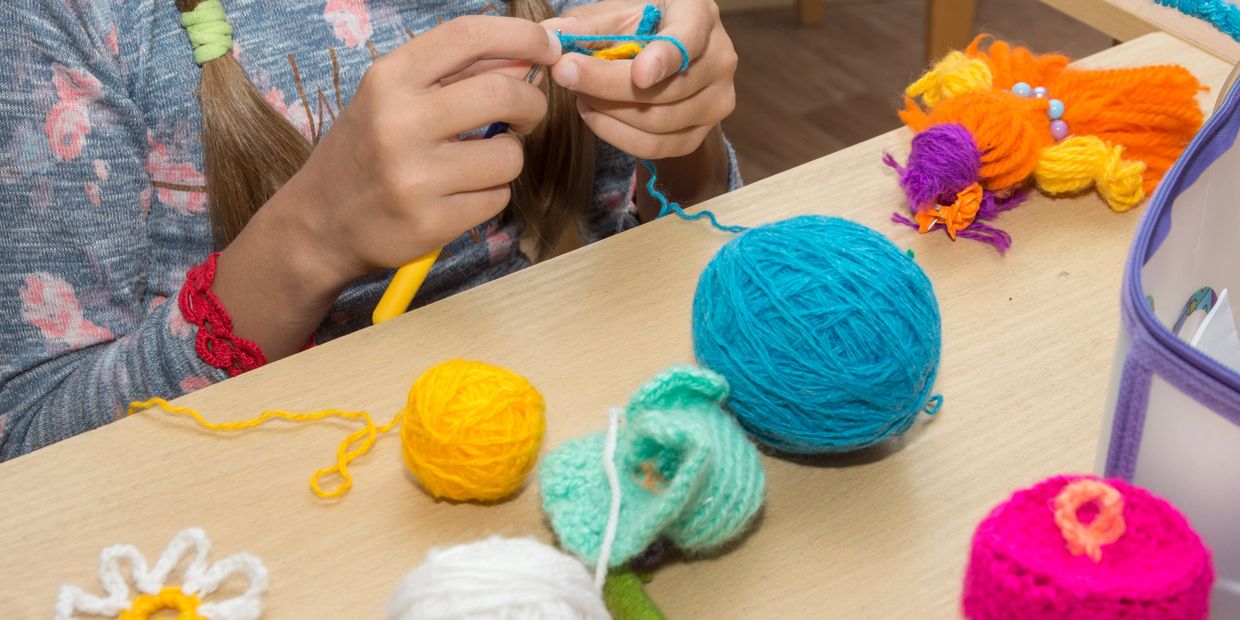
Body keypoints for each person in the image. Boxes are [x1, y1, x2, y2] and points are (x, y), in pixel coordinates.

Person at [0, 0, 741, 458]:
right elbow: (31, 439)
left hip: (583, 440)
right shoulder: (72, 22)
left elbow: (633, 237)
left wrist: (686, 139)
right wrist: (308, 239)